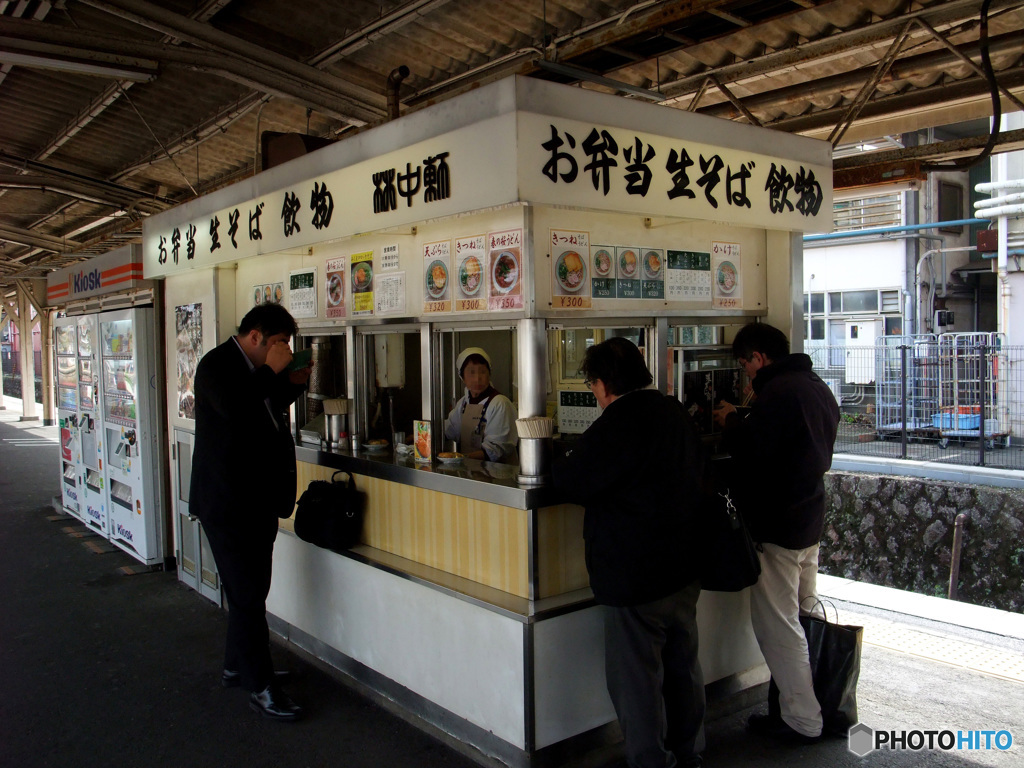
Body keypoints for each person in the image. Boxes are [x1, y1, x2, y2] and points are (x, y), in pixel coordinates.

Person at [553, 337, 707, 768]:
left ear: (602, 385)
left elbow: (572, 480)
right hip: (684, 565)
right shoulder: (673, 411)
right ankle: (690, 751)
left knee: (637, 678)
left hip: (636, 574)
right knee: (682, 665)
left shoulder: (615, 425)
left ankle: (650, 761)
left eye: (593, 384)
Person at [712, 322, 839, 743]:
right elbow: (794, 442)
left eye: (745, 364)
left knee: (780, 627)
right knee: (804, 616)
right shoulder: (815, 385)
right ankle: (814, 704)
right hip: (809, 519)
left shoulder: (778, 393)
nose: (746, 373)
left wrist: (733, 423)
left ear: (759, 358)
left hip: (777, 527)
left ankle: (803, 720)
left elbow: (756, 454)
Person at [189, 304, 312, 721]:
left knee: (250, 592)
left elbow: (265, 406)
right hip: (226, 504)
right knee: (246, 596)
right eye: (281, 344)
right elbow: (238, 409)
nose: (285, 351)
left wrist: (293, 383)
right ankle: (261, 687)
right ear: (257, 337)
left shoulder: (257, 371)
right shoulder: (216, 366)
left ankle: (236, 665)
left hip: (256, 501)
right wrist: (272, 372)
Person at [443, 347, 517, 463]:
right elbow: (449, 430)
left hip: (497, 474)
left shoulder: (500, 404)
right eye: (471, 372)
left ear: (489, 373)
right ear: (462, 377)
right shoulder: (463, 403)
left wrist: (460, 459)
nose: (477, 378)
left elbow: (496, 450)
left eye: (482, 371)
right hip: (471, 471)